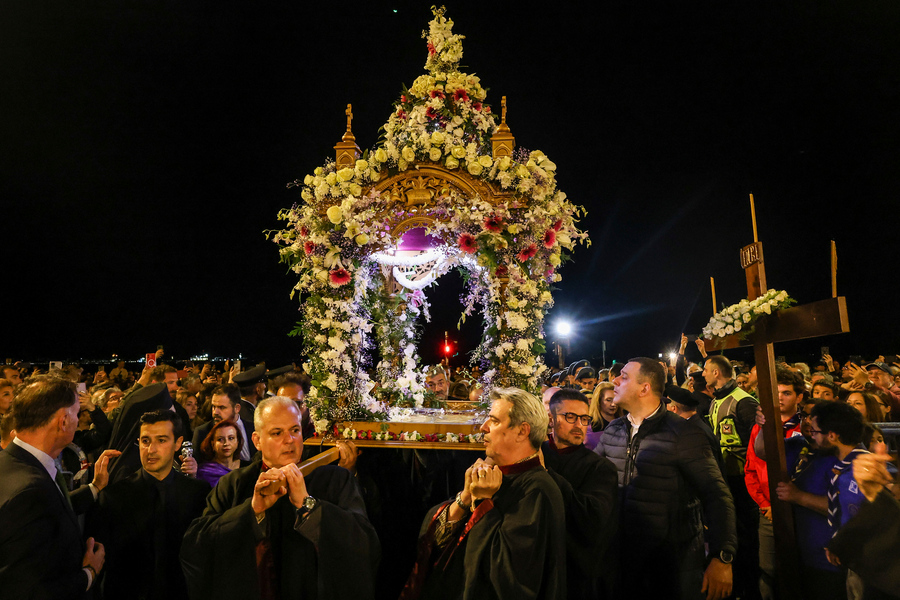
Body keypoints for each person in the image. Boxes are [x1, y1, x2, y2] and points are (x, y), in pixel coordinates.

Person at [181, 396, 379, 599]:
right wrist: (251, 512)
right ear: (257, 440)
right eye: (277, 433)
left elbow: (365, 544)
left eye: (295, 430)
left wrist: (309, 506)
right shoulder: (234, 484)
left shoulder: (336, 479)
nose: (289, 440)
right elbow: (197, 547)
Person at [402, 387, 566, 600]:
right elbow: (435, 539)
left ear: (522, 431)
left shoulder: (537, 490)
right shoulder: (493, 474)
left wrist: (481, 502)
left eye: (494, 421)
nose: (483, 427)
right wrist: (466, 498)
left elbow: (509, 577)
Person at [594, 358, 737, 600]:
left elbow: (716, 495)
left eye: (624, 377)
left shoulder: (684, 433)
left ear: (644, 388)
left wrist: (722, 555)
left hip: (674, 564)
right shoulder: (613, 431)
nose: (615, 380)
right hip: (624, 560)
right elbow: (593, 482)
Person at [0, 376, 116, 598]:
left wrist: (95, 486)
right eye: (76, 413)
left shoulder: (12, 463)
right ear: (63, 422)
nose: (78, 419)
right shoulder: (30, 491)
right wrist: (89, 573)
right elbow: (27, 590)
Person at [86, 410, 210, 600]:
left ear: (178, 443)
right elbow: (100, 564)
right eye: (145, 441)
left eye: (161, 440)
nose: (151, 450)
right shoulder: (114, 497)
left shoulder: (197, 493)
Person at [543, 388, 618, 599]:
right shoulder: (537, 454)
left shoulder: (600, 468)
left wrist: (545, 475)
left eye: (584, 418)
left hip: (576, 574)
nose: (579, 425)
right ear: (551, 419)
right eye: (570, 417)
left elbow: (594, 518)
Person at [703, 354, 761, 600]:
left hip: (743, 482)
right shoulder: (716, 400)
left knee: (746, 537)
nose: (703, 374)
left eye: (706, 369)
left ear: (717, 372)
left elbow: (757, 444)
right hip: (726, 478)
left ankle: (749, 588)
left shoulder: (743, 401)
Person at [744, 368, 804, 599]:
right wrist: (764, 504)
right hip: (768, 512)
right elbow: (750, 469)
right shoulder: (760, 427)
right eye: (775, 392)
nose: (779, 397)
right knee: (768, 569)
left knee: (800, 567)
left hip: (802, 510)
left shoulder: (807, 427)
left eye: (786, 393)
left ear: (799, 397)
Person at [191, 383, 254, 461]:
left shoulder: (253, 429)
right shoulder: (202, 433)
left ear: (237, 408)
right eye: (214, 406)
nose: (215, 412)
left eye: (222, 407)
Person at [196, 419, 247, 488]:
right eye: (220, 439)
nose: (226, 443)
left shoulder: (247, 468)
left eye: (231, 438)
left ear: (237, 441)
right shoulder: (204, 472)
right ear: (213, 444)